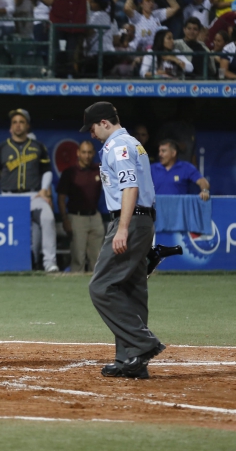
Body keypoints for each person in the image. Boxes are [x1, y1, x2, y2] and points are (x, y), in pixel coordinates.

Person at [80, 101, 164, 380]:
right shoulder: (131, 143)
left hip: (130, 219)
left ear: (104, 122)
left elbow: (130, 186)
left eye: (92, 128)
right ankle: (132, 360)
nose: (90, 134)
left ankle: (142, 344)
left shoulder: (120, 146)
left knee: (101, 287)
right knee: (131, 288)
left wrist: (123, 228)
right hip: (141, 219)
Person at [0, 109, 59, 272]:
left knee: (47, 217)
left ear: (27, 126)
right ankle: (2, 263)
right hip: (8, 196)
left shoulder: (37, 146)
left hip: (32, 196)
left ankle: (50, 262)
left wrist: (44, 190)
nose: (18, 125)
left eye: (21, 122)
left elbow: (47, 170)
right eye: (15, 122)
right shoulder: (2, 147)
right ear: (11, 127)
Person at [56, 140, 104, 273]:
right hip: (76, 218)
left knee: (98, 258)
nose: (87, 156)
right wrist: (65, 219)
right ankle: (76, 291)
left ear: (94, 153)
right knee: (78, 259)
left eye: (89, 152)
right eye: (84, 152)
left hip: (95, 217)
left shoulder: (99, 170)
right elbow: (61, 198)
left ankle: (98, 290)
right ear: (78, 153)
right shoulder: (70, 172)